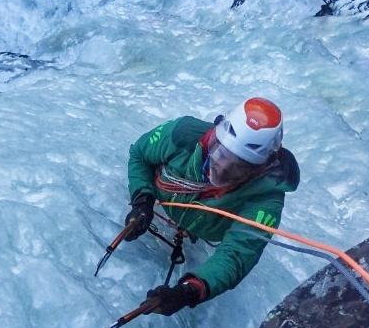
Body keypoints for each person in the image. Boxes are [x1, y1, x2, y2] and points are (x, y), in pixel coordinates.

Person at [122, 97, 299, 314]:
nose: (221, 168)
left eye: (237, 167)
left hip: (201, 230)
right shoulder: (182, 134)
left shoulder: (266, 200)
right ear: (216, 136)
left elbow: (237, 255)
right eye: (220, 154)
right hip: (161, 207)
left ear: (258, 169)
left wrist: (190, 291)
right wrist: (143, 199)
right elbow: (140, 154)